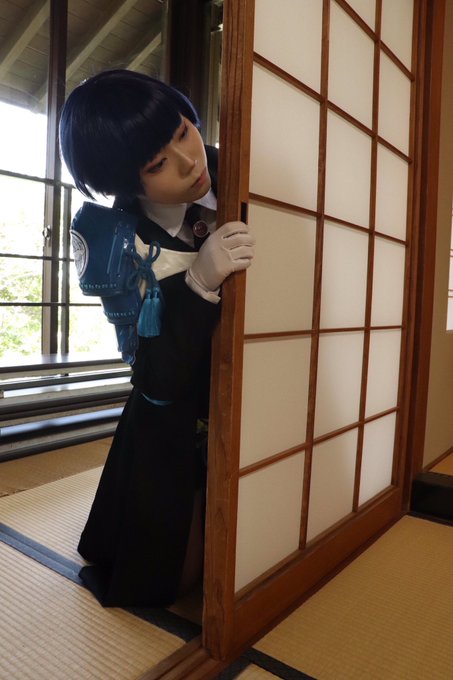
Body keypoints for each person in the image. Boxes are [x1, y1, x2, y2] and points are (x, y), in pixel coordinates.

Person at [59, 69, 255, 607]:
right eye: (157, 164)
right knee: (177, 579)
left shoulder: (242, 166)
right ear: (125, 182)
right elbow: (153, 377)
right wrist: (198, 284)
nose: (190, 161)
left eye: (184, 131)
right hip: (178, 410)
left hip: (267, 391)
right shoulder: (116, 243)